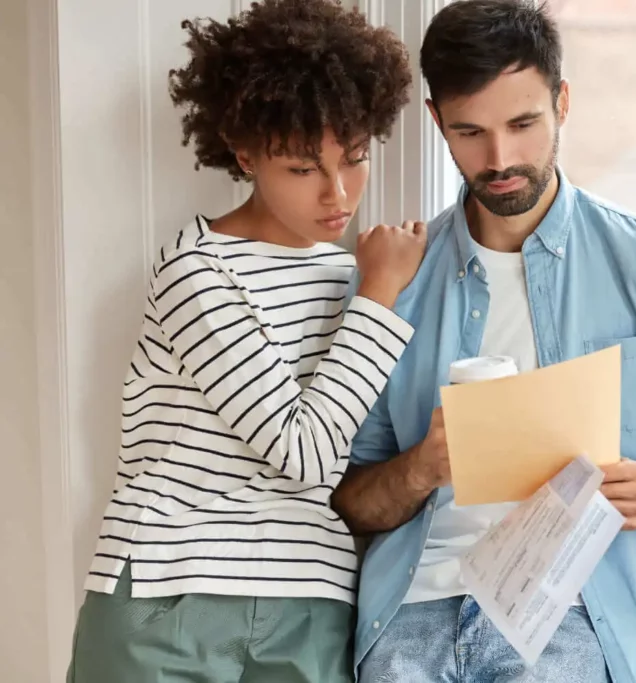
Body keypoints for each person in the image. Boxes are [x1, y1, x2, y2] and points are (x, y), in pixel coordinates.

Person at [330, 1, 636, 681]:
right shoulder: (394, 281)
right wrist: (420, 467)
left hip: (572, 612)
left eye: (523, 124)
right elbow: (350, 498)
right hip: (415, 612)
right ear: (437, 123)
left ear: (563, 103)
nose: (500, 159)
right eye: (470, 132)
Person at [65, 2, 425, 682]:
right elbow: (305, 454)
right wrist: (378, 296)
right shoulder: (197, 272)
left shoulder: (361, 278)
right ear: (244, 150)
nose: (338, 193)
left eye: (353, 158)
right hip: (169, 595)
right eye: (302, 168)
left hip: (311, 602)